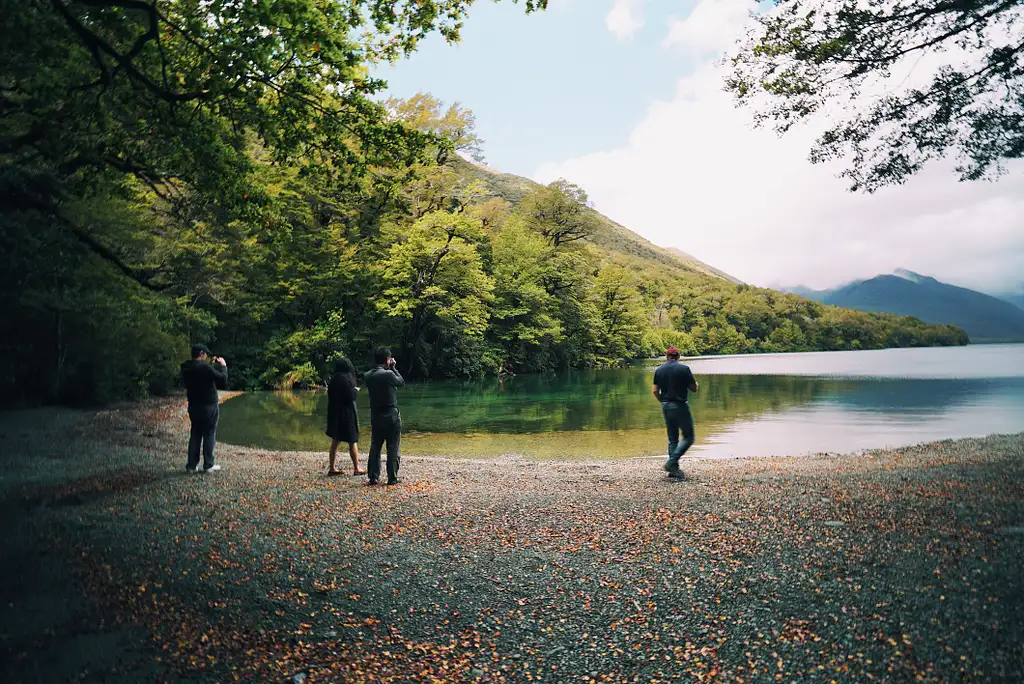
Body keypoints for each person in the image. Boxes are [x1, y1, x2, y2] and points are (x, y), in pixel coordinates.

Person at [180, 343, 228, 473]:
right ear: (201, 353)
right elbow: (222, 380)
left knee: (195, 434)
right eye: (206, 354)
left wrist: (210, 365)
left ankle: (191, 466)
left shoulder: (185, 367)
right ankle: (208, 465)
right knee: (209, 433)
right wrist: (223, 366)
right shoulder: (205, 368)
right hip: (209, 406)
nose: (207, 356)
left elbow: (201, 375)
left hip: (194, 406)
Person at [653, 346, 699, 480]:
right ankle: (672, 462)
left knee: (672, 439)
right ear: (678, 357)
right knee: (689, 437)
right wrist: (696, 384)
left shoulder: (659, 370)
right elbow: (693, 389)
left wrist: (663, 402)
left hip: (666, 406)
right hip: (680, 406)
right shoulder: (684, 369)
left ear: (667, 357)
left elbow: (655, 391)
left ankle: (674, 470)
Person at [362, 348, 405, 486]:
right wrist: (393, 368)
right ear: (387, 360)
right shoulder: (388, 374)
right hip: (391, 414)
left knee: (375, 445)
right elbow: (401, 382)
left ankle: (373, 477)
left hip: (376, 415)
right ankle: (392, 478)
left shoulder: (367, 375)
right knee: (393, 446)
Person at [325, 358, 364, 477]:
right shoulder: (346, 379)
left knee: (336, 440)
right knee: (352, 440)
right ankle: (357, 468)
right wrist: (355, 390)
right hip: (346, 413)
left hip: (335, 413)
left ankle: (332, 467)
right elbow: (350, 397)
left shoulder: (334, 379)